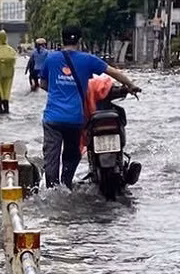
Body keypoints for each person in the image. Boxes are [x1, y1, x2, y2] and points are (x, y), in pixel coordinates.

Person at [38, 24, 140, 189]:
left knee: (51, 157)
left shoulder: (51, 59)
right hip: (74, 120)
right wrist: (131, 85)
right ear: (79, 40)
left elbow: (42, 84)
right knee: (72, 155)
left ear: (62, 39)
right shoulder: (88, 59)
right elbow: (114, 72)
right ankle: (66, 185)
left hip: (53, 118)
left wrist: (59, 90)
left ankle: (52, 190)